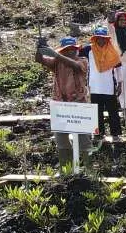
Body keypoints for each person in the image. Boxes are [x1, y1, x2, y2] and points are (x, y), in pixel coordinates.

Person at [34, 36, 92, 170]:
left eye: (73, 49)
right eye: (67, 50)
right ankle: (67, 170)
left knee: (84, 140)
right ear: (62, 51)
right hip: (60, 105)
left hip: (79, 105)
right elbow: (39, 59)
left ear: (77, 50)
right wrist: (39, 48)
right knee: (62, 140)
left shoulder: (82, 61)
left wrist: (56, 55)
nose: (71, 52)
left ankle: (89, 169)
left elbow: (76, 67)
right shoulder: (57, 63)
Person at [81, 27, 122, 144]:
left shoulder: (112, 50)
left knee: (113, 111)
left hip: (109, 86)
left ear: (106, 39)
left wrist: (120, 83)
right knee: (96, 112)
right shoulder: (88, 50)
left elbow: (119, 68)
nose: (101, 40)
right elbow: (74, 53)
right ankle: (99, 134)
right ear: (94, 38)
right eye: (98, 38)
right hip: (94, 86)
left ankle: (116, 134)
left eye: (103, 38)